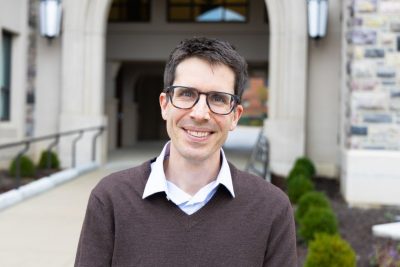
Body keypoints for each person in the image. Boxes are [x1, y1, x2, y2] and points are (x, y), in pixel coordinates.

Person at [74, 37, 297, 267]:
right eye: (187, 94)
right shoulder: (110, 199)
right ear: (164, 105)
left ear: (235, 116)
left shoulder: (271, 209)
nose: (200, 113)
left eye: (218, 98)